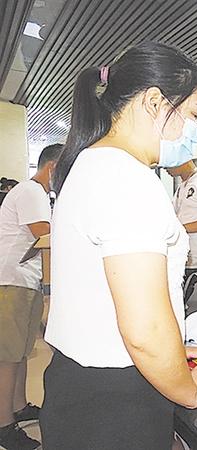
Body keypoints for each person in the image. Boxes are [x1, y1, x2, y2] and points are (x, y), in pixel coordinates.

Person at [39, 42, 197, 450]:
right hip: (116, 401)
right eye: (194, 114)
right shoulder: (126, 178)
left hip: (80, 382)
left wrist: (172, 354)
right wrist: (189, 388)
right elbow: (144, 330)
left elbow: (103, 301)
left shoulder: (91, 163)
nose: (193, 131)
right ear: (154, 102)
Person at [0, 144, 63, 450]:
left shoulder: (36, 193)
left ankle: (19, 405)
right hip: (10, 282)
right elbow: (45, 233)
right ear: (53, 167)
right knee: (7, 356)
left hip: (23, 281)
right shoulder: (31, 191)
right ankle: (3, 425)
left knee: (21, 352)